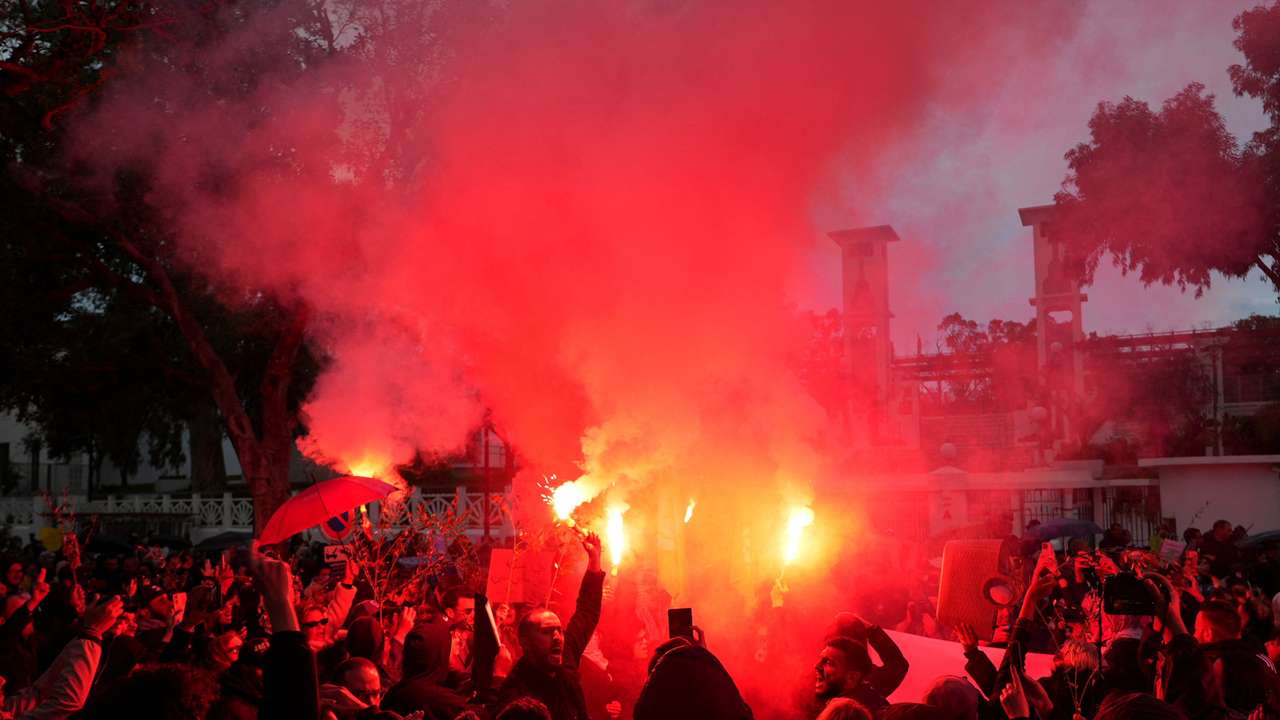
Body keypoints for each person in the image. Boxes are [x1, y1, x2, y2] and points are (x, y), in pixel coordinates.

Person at [493, 534, 604, 720]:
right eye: (546, 631)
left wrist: (594, 561)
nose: (557, 637)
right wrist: (498, 677)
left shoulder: (566, 656)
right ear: (526, 642)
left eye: (559, 630)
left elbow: (587, 612)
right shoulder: (516, 690)